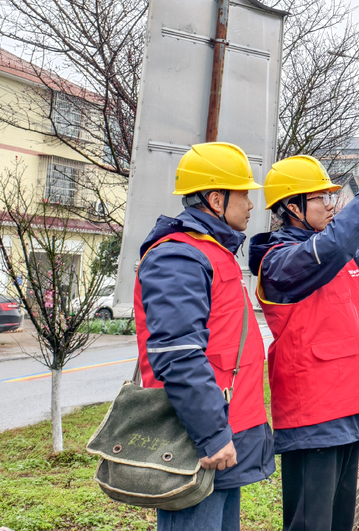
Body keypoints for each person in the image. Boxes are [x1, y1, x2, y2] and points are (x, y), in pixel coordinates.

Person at [249, 156, 359, 531]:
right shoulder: (281, 261)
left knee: (338, 523)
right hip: (313, 417)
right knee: (311, 525)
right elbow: (332, 249)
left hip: (348, 409)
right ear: (292, 207)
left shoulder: (337, 256)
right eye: (321, 197)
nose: (331, 204)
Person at [133, 142, 274, 531]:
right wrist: (211, 436)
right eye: (243, 194)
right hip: (199, 441)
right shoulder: (178, 256)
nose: (250, 205)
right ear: (216, 199)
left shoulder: (213, 252)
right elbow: (177, 354)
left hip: (223, 436)